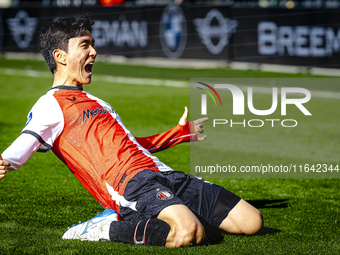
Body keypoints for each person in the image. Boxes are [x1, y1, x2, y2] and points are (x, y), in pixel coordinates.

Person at [0, 11, 262, 247]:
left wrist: (177, 133)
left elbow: (130, 144)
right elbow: (24, 143)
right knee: (186, 231)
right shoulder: (50, 104)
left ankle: (172, 211)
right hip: (129, 185)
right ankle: (105, 228)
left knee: (251, 222)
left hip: (161, 172)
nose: (93, 52)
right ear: (60, 56)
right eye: (84, 45)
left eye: (92, 44)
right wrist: (5, 160)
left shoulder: (97, 102)